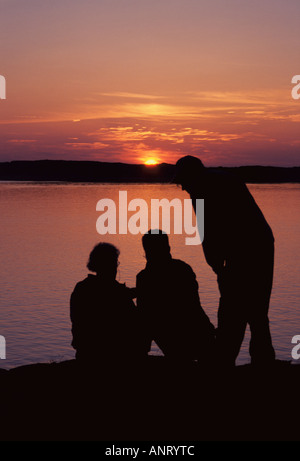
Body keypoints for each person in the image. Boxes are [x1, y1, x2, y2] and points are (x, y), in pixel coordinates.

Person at [172, 155, 276, 367]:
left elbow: (208, 232)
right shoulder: (225, 179)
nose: (182, 188)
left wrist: (218, 268)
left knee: (232, 310)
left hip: (248, 249)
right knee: (257, 310)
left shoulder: (201, 190)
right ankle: (261, 362)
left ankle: (224, 363)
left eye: (182, 182)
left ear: (191, 176)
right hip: (262, 244)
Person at [136, 230, 215, 364]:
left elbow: (145, 317)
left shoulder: (144, 278)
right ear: (168, 248)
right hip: (200, 333)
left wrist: (141, 350)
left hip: (174, 338)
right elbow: (194, 306)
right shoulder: (183, 269)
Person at [70, 242, 142, 364]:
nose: (116, 267)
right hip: (113, 354)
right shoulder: (116, 292)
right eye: (115, 262)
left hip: (86, 352)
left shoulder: (82, 288)